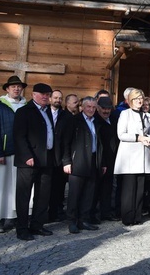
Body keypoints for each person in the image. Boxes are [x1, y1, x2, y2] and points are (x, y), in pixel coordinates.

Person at [13, 83, 56, 241]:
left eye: (47, 94)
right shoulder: (24, 112)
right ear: (33, 95)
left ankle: (37, 225)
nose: (45, 96)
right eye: (42, 94)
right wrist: (27, 156)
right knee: (23, 196)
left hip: (46, 159)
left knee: (42, 195)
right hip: (29, 161)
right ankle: (22, 229)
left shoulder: (48, 112)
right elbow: (19, 136)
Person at [0, 75, 27, 234]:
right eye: (13, 86)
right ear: (7, 89)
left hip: (22, 154)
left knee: (18, 188)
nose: (16, 89)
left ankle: (13, 216)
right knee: (2, 188)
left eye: (19, 86)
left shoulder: (26, 106)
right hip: (5, 153)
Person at [62, 97, 105, 234]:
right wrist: (66, 161)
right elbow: (65, 142)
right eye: (89, 107)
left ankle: (84, 220)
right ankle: (72, 221)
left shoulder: (97, 121)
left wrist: (102, 162)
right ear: (83, 107)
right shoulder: (74, 120)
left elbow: (100, 144)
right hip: (77, 161)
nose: (91, 110)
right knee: (75, 194)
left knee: (89, 193)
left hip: (93, 160)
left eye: (93, 107)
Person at [114, 88, 150, 226]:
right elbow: (121, 134)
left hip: (143, 157)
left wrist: (149, 138)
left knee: (139, 189)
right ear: (131, 101)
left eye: (141, 98)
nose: (139, 101)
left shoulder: (146, 115)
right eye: (136, 98)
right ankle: (127, 217)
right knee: (129, 190)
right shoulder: (125, 114)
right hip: (129, 158)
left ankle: (137, 216)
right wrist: (138, 137)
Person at [93, 95, 119, 221]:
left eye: (108, 108)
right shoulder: (96, 121)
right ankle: (94, 214)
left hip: (112, 159)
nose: (106, 111)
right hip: (99, 160)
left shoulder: (113, 119)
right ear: (98, 108)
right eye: (103, 108)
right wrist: (102, 162)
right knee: (96, 188)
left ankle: (106, 212)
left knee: (108, 188)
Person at [48, 89, 69, 222]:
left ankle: (56, 211)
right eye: (55, 98)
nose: (58, 100)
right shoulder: (44, 113)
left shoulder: (65, 115)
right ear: (50, 99)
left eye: (60, 98)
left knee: (58, 187)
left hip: (59, 156)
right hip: (46, 156)